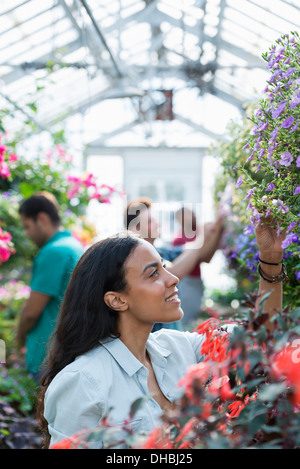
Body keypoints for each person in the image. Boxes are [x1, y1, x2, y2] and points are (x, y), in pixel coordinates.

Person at [38, 220, 285, 448]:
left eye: (163, 267)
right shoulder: (83, 381)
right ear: (117, 300)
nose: (174, 278)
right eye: (153, 273)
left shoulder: (179, 348)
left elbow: (257, 339)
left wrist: (271, 258)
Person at [125, 197, 224, 330]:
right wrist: (201, 236)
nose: (157, 223)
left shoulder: (162, 251)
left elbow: (199, 253)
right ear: (135, 229)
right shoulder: (136, 257)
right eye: (150, 221)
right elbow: (174, 271)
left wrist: (219, 225)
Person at [16, 192, 83, 380]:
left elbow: (31, 312)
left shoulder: (53, 252)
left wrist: (19, 338)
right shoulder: (73, 246)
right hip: (67, 351)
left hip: (47, 356)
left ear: (42, 219)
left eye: (27, 227)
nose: (27, 234)